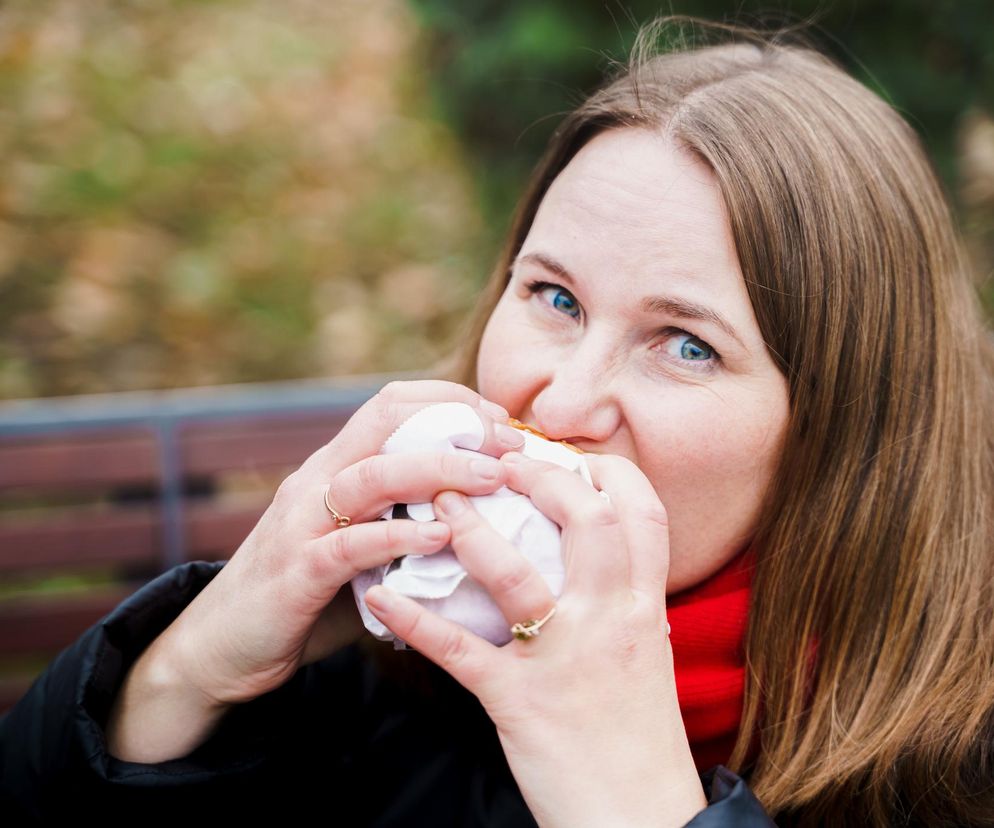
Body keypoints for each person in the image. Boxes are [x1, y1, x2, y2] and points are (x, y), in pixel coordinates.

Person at [3, 17, 993, 826]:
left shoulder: (954, 760)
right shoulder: (379, 666)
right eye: (554, 298)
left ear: (846, 428)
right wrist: (190, 665)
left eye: (686, 345)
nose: (558, 402)